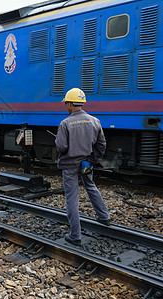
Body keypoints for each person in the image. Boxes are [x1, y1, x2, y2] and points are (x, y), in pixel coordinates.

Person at [55, 88, 110, 246]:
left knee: (71, 197)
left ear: (71, 104)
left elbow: (61, 147)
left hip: (70, 164)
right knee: (91, 186)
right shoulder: (95, 121)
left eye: (66, 103)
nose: (66, 106)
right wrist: (91, 159)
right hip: (86, 163)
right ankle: (104, 217)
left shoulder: (65, 123)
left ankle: (75, 235)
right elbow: (101, 145)